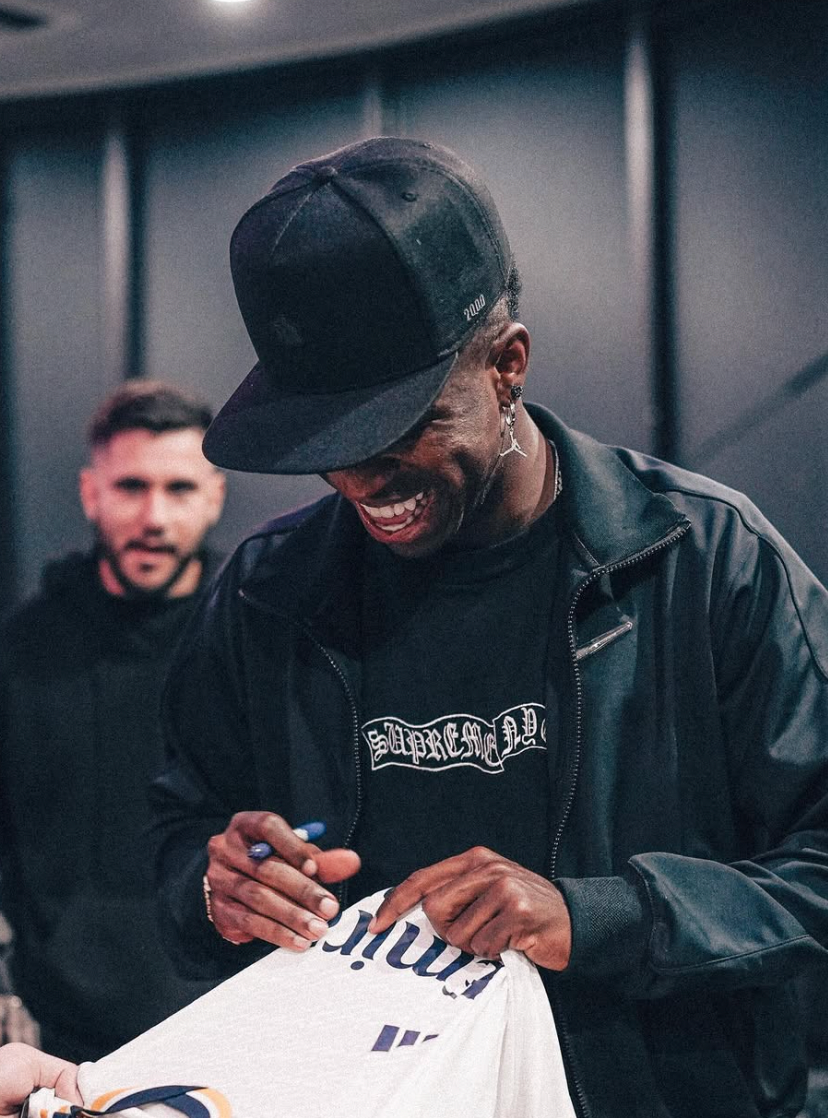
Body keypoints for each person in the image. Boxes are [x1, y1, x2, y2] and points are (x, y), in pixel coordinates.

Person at [150, 138, 828, 1117]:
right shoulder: (265, 594)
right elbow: (179, 833)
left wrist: (596, 915)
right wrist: (218, 886)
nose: (360, 480)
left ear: (507, 364)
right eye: (326, 445)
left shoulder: (704, 559)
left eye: (400, 428)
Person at [0, 380, 227, 1063]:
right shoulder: (22, 650)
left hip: (230, 1022)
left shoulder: (254, 642)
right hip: (57, 1038)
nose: (154, 517)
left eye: (179, 489)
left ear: (215, 496)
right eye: (131, 486)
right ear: (90, 492)